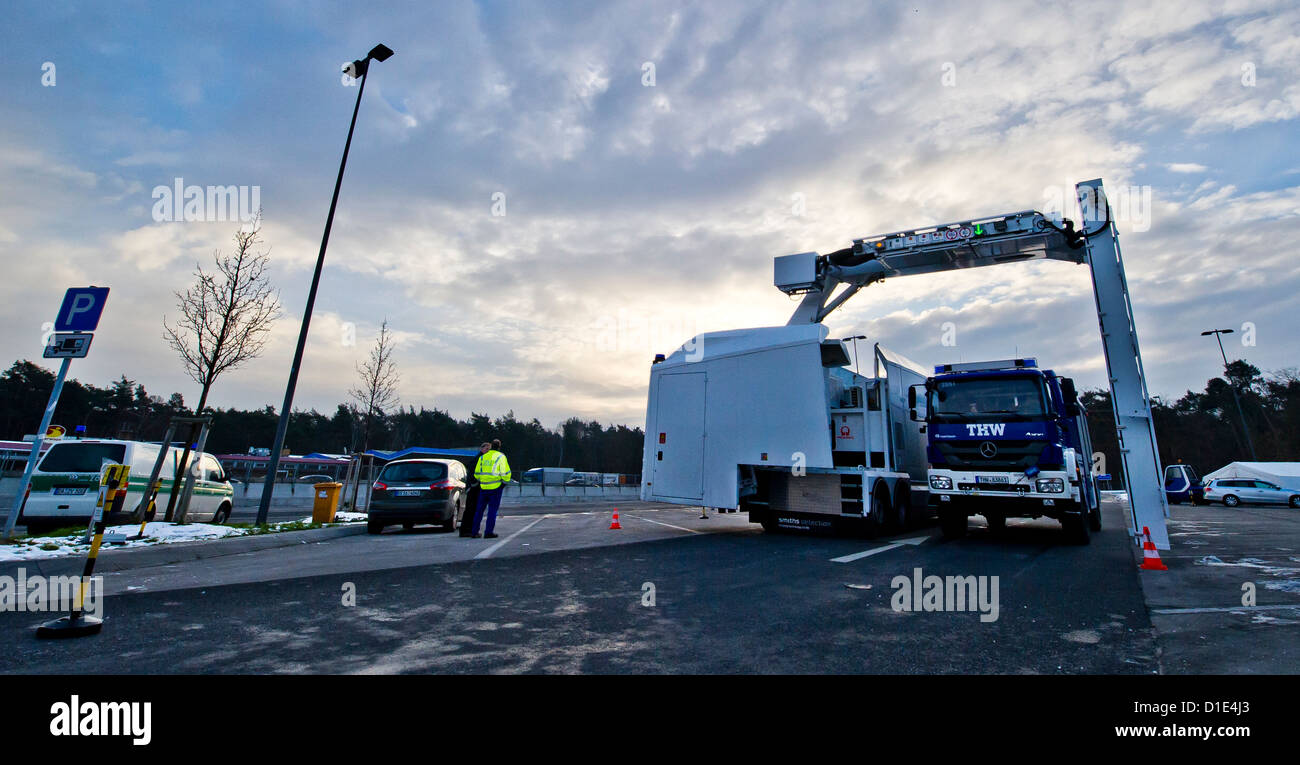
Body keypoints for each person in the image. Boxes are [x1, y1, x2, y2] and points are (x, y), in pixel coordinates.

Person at [470, 440, 511, 538]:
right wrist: (503, 484)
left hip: (483, 487)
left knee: (479, 511)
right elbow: (506, 473)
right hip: (495, 488)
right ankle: (488, 532)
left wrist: (483, 481)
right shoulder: (501, 457)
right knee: (492, 511)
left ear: (491, 446)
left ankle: (474, 532)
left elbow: (477, 474)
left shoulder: (483, 457)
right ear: (499, 447)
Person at [458, 444, 488, 537]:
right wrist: (474, 484)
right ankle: (467, 530)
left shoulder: (479, 458)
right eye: (486, 449)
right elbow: (474, 473)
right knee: (472, 509)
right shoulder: (478, 459)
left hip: (472, 487)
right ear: (482, 448)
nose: (488, 451)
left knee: (471, 509)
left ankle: (466, 530)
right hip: (473, 488)